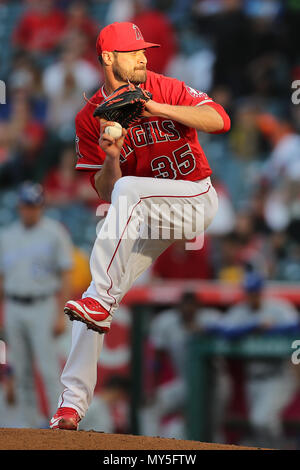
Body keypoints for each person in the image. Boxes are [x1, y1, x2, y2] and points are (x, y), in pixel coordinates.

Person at [50, 21, 230, 430]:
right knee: (96, 297)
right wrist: (112, 155)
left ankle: (100, 299)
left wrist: (154, 108)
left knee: (130, 191)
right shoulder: (90, 116)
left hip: (193, 200)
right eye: (134, 52)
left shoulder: (163, 86)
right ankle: (70, 406)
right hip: (145, 213)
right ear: (110, 58)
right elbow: (105, 189)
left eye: (144, 50)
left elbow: (220, 119)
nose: (144, 56)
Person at [0, 182, 73, 427]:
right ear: (19, 206)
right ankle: (27, 425)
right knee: (20, 369)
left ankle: (58, 422)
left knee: (48, 367)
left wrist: (60, 313)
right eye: (25, 205)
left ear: (41, 206)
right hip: (13, 304)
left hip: (43, 304)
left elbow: (66, 274)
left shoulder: (54, 232)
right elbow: (1, 277)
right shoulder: (6, 235)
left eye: (34, 206)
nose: (29, 210)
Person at [220, 272, 300, 448]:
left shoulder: (277, 307)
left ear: (261, 291)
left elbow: (296, 326)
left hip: (279, 375)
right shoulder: (240, 311)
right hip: (253, 379)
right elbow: (225, 331)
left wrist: (273, 330)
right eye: (249, 292)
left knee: (261, 420)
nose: (252, 296)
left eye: (255, 292)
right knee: (262, 425)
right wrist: (254, 326)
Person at [142, 291, 223, 439]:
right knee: (150, 408)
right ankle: (148, 447)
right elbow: (156, 358)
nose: (187, 310)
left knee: (210, 429)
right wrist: (151, 388)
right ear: (178, 307)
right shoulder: (166, 322)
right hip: (184, 382)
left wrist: (206, 331)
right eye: (184, 307)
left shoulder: (211, 319)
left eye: (192, 307)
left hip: (213, 385)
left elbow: (229, 332)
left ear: (198, 308)